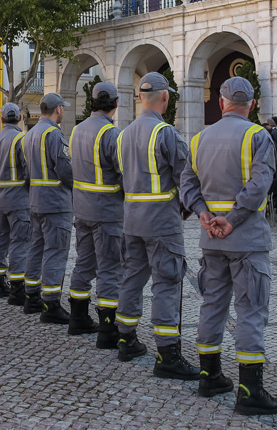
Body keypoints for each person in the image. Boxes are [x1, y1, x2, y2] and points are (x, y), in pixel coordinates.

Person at [180, 76, 277, 414]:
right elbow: (260, 184)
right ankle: (249, 391)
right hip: (246, 239)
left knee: (212, 305)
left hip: (211, 239)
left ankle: (209, 377)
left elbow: (187, 184)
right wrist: (233, 217)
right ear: (251, 105)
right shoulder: (259, 136)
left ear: (222, 102)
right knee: (251, 309)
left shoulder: (198, 139)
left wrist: (204, 214)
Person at [115, 72, 199, 380]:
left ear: (139, 98)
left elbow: (120, 178)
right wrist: (192, 211)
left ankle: (125, 339)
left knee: (131, 278)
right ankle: (168, 355)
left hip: (131, 218)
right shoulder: (166, 134)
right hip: (162, 221)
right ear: (165, 97)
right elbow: (187, 180)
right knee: (167, 283)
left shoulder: (121, 135)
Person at [67, 82, 123, 346]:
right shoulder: (111, 134)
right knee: (110, 268)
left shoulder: (76, 130)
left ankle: (78, 319)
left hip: (82, 209)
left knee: (84, 264)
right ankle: (108, 330)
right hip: (107, 211)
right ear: (115, 103)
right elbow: (123, 173)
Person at [24, 93, 74, 323]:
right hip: (55, 201)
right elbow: (64, 169)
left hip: (35, 200)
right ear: (58, 109)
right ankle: (51, 303)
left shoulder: (31, 133)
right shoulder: (54, 134)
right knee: (55, 251)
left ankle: (31, 295)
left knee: (36, 248)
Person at [0, 103, 31, 304]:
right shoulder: (21, 139)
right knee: (20, 241)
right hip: (19, 196)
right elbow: (28, 169)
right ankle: (16, 287)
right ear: (20, 118)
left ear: (2, 120)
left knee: (1, 239)